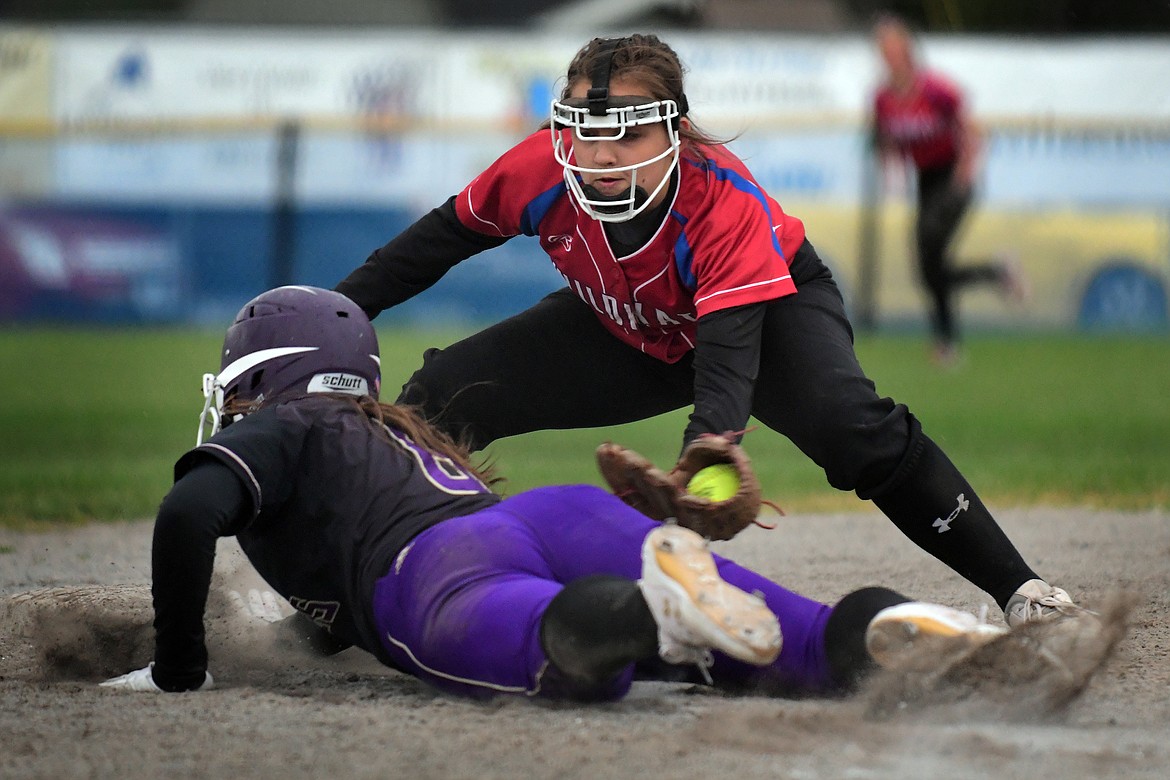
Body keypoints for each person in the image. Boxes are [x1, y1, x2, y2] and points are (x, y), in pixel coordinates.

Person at [332, 34, 1078, 629]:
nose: (597, 156)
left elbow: (724, 363)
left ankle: (1024, 592)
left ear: (676, 131)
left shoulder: (721, 199)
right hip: (627, 327)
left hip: (767, 313)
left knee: (851, 429)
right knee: (440, 396)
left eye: (623, 135)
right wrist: (330, 313)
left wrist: (706, 452)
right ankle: (354, 586)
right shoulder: (543, 169)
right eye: (584, 132)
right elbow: (433, 243)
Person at [100, 285, 1008, 699]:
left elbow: (187, 513)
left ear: (266, 382)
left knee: (568, 650)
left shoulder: (284, 425)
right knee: (805, 649)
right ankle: (907, 629)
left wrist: (180, 669)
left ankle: (655, 613)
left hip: (435, 573)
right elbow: (323, 608)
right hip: (545, 517)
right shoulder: (387, 427)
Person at [870, 13, 1029, 365]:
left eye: (893, 47)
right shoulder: (883, 98)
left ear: (907, 50)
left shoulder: (936, 90)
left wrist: (965, 172)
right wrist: (892, 169)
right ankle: (989, 284)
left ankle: (949, 338)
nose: (888, 55)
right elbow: (885, 140)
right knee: (929, 268)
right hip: (926, 180)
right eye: (883, 49)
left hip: (953, 178)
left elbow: (972, 130)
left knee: (928, 243)